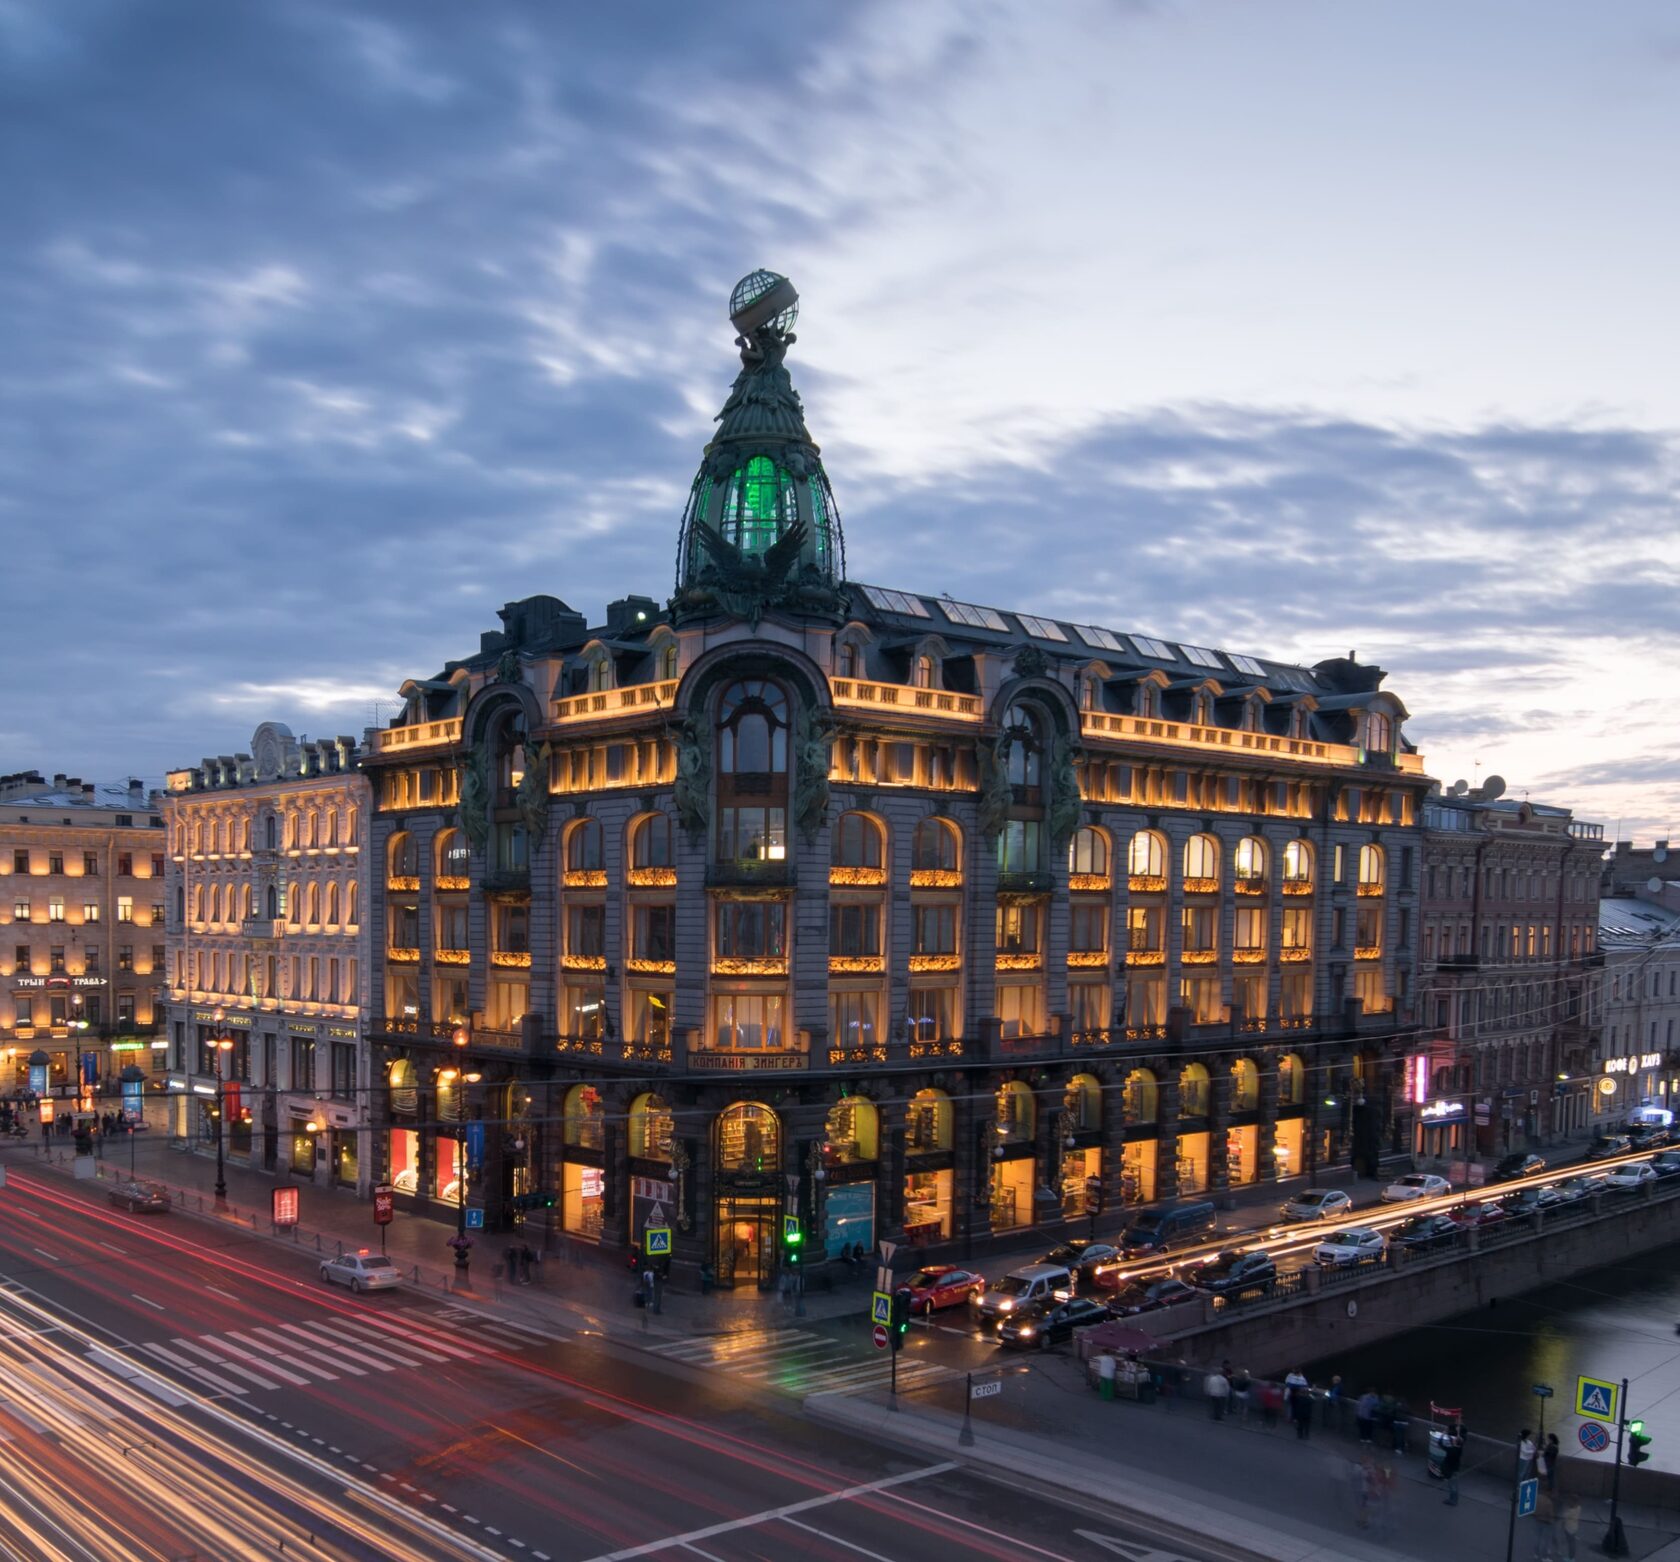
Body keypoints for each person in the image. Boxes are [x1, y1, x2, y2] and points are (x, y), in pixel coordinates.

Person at [1442, 1423, 1464, 1505]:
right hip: (1456, 1468)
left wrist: (1443, 1435)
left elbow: (1441, 1444)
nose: (1453, 1439)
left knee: (1452, 1485)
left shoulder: (1451, 1450)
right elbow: (1454, 1441)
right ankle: (1454, 1499)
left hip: (1451, 1469)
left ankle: (1453, 1500)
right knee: (1454, 1485)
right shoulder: (1459, 1448)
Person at [1533, 1487, 1556, 1561]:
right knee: (1545, 1540)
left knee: (1537, 1538)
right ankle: (1544, 1557)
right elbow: (1550, 1514)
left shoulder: (1538, 1497)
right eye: (1551, 1493)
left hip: (1537, 1520)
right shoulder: (1548, 1502)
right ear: (1548, 1492)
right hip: (1546, 1522)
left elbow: (1534, 1507)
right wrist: (1552, 1522)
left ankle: (1536, 1554)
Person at [1558, 1493, 1580, 1561]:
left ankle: (1570, 1558)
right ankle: (1572, 1557)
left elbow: (1564, 1517)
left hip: (1569, 1528)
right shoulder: (1579, 1508)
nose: (1569, 1502)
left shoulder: (1571, 1511)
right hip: (1575, 1527)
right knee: (1572, 1543)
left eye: (1570, 1501)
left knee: (1571, 1544)